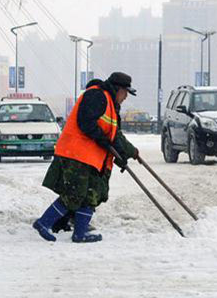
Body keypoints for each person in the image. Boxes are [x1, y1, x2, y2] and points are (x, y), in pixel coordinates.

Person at [32, 72, 140, 243]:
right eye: (125, 92)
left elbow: (114, 136)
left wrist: (130, 153)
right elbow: (86, 123)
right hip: (76, 153)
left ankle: (80, 234)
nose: (126, 97)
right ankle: (43, 223)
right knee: (74, 194)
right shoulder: (97, 95)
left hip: (90, 158)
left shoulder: (111, 106)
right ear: (118, 89)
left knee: (91, 194)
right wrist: (103, 140)